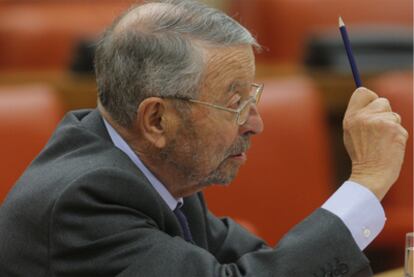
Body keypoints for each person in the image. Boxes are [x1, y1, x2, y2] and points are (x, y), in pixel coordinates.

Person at [0, 1, 408, 276]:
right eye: (235, 104)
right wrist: (367, 183)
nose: (256, 123)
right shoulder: (84, 200)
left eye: (253, 97)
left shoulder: (155, 168)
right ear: (157, 119)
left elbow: (265, 262)